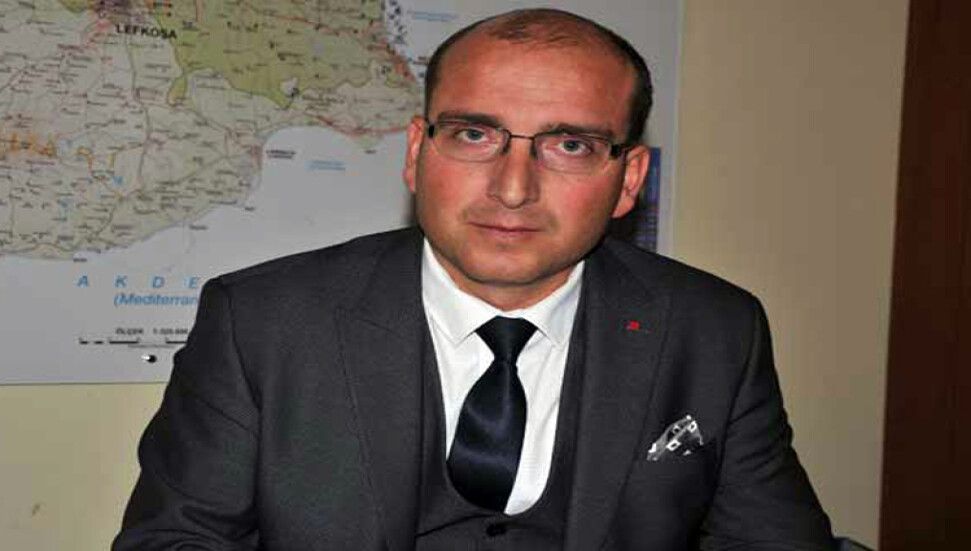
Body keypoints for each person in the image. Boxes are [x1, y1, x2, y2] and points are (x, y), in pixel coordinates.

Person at [114, 8, 834, 551]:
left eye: (569, 144)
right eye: (474, 134)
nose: (513, 188)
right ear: (416, 153)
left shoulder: (715, 328)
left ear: (627, 180)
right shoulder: (260, 321)